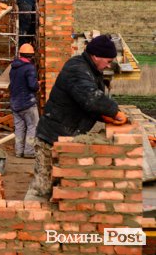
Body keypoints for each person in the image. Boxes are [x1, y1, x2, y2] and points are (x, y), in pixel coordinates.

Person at [25, 35, 127, 201]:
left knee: (60, 189)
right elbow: (91, 99)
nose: (109, 65)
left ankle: (50, 215)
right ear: (96, 56)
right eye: (108, 61)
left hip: (66, 136)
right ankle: (31, 213)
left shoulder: (92, 71)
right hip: (51, 137)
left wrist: (107, 117)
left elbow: (87, 105)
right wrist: (115, 112)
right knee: (42, 188)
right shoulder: (77, 69)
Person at [9, 42, 39, 158]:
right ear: (31, 56)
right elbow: (32, 86)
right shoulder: (29, 68)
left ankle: (19, 151)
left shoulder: (13, 68)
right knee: (33, 126)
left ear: (20, 54)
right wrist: (38, 84)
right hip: (27, 103)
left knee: (19, 128)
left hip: (15, 103)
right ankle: (29, 152)